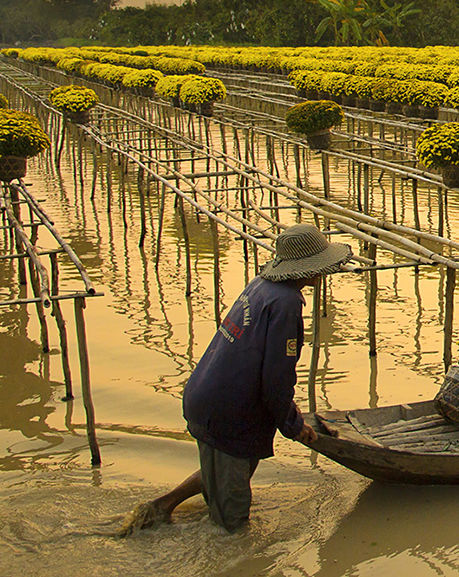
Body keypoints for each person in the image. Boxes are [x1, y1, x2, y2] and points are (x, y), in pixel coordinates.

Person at [118, 224, 351, 535]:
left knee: (227, 467)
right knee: (233, 527)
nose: (324, 272)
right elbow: (276, 380)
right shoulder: (286, 303)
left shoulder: (262, 285)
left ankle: (160, 507)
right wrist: (293, 426)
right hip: (229, 410)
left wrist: (290, 418)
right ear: (305, 267)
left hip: (206, 394)